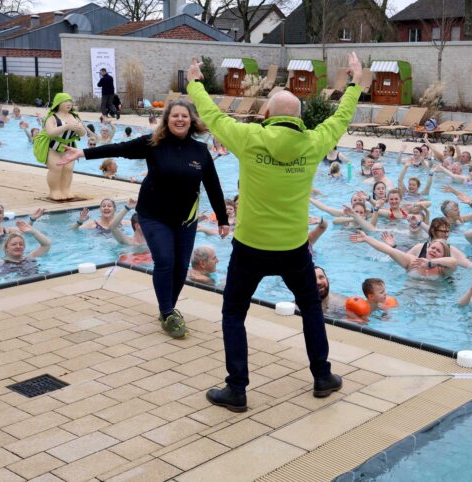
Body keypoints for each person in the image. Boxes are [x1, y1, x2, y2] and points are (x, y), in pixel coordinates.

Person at [186, 53, 363, 412]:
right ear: (299, 118)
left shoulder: (250, 138)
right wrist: (355, 84)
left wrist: (194, 83)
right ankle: (322, 376)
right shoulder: (313, 143)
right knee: (311, 308)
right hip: (293, 248)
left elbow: (213, 116)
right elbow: (340, 117)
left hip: (250, 246)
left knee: (234, 314)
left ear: (267, 114)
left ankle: (237, 389)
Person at [59, 98, 229, 339]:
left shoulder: (200, 151)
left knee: (181, 267)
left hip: (185, 221)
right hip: (153, 216)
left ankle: (168, 308)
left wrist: (222, 218)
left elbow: (212, 186)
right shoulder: (153, 143)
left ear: (192, 120)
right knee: (165, 260)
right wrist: (83, 153)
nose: (179, 119)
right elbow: (119, 148)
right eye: (174, 116)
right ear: (167, 120)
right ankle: (168, 312)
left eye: (184, 116)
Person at [34, 93, 87, 200]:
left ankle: (66, 190)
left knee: (68, 169)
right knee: (56, 168)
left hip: (69, 147)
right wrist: (66, 126)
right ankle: (54, 191)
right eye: (65, 101)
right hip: (53, 148)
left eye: (70, 101)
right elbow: (50, 133)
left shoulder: (75, 117)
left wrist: (80, 128)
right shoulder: (52, 117)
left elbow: (82, 133)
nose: (69, 104)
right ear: (58, 103)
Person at [350, 230, 457, 279]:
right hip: (410, 295)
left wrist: (430, 263)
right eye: (432, 248)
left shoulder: (443, 270)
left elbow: (454, 262)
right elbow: (388, 250)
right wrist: (366, 239)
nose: (434, 250)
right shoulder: (412, 261)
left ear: (443, 256)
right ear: (427, 249)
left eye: (438, 251)